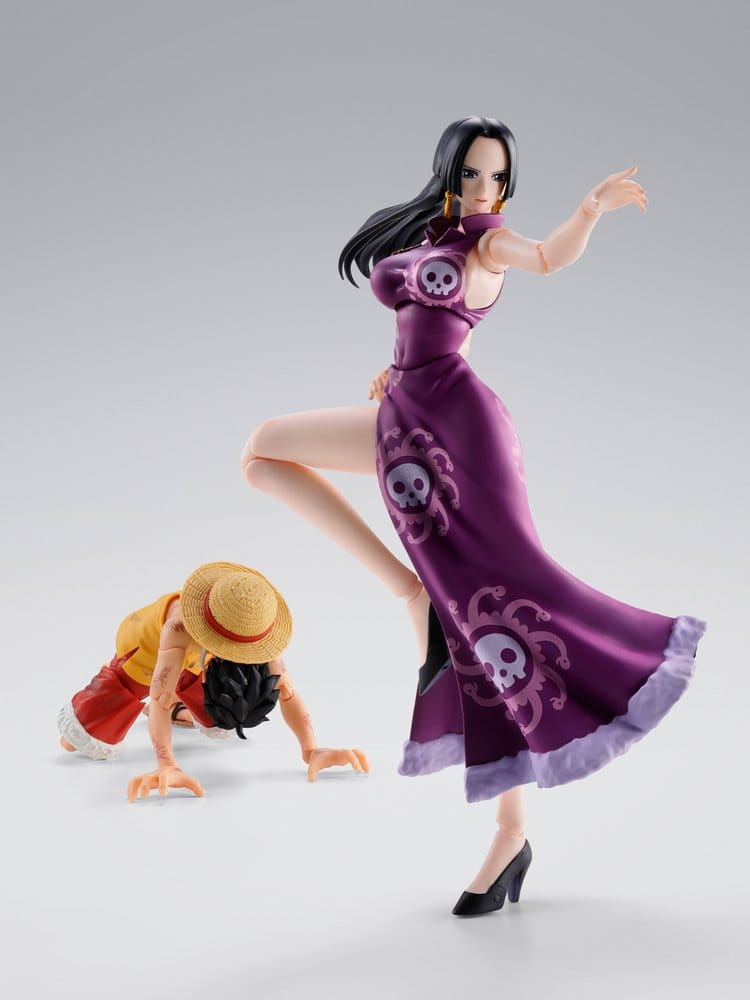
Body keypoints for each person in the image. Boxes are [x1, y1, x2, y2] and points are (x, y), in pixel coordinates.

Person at [242, 118, 705, 916]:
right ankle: (409, 591)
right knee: (264, 453)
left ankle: (510, 829)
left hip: (459, 436)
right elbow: (429, 319)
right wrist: (394, 367)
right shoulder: (440, 236)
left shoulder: (491, 243)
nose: (485, 189)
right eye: (473, 175)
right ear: (449, 174)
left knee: (499, 623)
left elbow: (548, 257)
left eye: (497, 178)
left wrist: (588, 211)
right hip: (411, 413)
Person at [58, 561, 369, 800]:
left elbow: (286, 689)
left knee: (224, 716)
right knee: (83, 735)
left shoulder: (256, 625)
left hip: (199, 660)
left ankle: (183, 702)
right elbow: (159, 696)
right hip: (145, 655)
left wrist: (311, 750)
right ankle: (93, 719)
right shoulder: (178, 626)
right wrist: (167, 764)